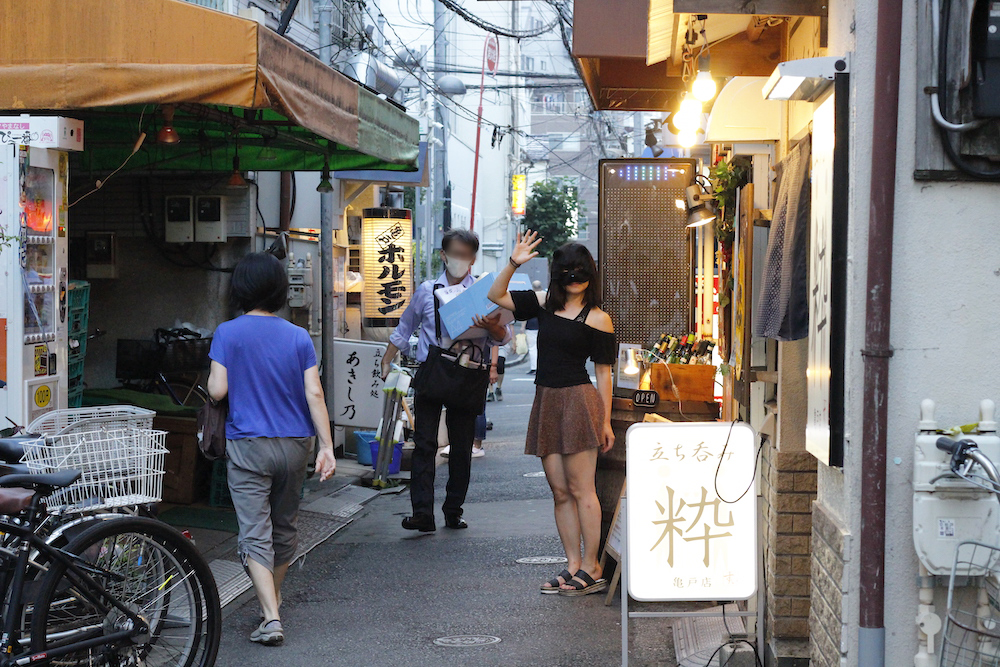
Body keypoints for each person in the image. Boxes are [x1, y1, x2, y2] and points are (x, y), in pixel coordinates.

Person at [207, 252, 337, 646]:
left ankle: (270, 616)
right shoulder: (298, 336)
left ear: (241, 288)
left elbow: (217, 390)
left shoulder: (228, 333)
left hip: (248, 445)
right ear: (280, 290)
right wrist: (327, 447)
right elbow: (314, 392)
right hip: (296, 444)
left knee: (254, 532)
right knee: (284, 528)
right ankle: (273, 603)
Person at [488, 232, 616, 597]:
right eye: (568, 272)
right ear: (558, 274)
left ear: (591, 273)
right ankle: (573, 564)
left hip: (579, 401)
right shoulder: (544, 304)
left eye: (582, 272)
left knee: (582, 489)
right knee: (560, 491)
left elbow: (604, 373)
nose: (575, 278)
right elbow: (495, 296)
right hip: (546, 400)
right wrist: (514, 262)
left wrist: (604, 421)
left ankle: (593, 567)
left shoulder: (599, 318)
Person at [382, 229, 510, 532]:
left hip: (470, 374)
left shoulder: (485, 292)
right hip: (433, 371)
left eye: (466, 255)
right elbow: (404, 328)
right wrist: (387, 359)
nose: (460, 260)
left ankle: (453, 509)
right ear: (443, 255)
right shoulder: (427, 290)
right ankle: (422, 513)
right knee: (425, 444)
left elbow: (504, 338)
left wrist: (493, 326)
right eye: (455, 254)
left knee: (462, 447)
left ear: (474, 259)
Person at [525, 279, 544, 375]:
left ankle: (534, 367)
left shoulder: (530, 297)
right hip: (542, 324)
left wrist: (522, 327)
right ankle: (541, 367)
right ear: (540, 287)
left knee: (532, 347)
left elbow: (525, 313)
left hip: (530, 325)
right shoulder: (545, 297)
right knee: (542, 347)